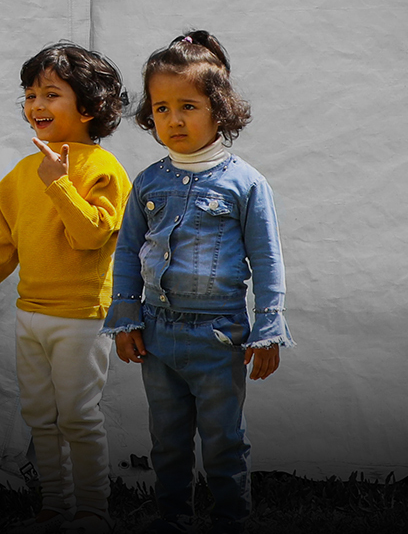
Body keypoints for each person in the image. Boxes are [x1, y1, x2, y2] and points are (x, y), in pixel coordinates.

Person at [103, 31, 291, 534]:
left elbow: (267, 260)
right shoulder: (147, 182)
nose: (174, 119)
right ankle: (173, 519)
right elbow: (126, 253)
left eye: (188, 105)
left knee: (224, 437)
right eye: (161, 108)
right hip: (157, 333)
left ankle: (231, 518)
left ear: (220, 110)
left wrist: (268, 329)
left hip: (219, 335)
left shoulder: (245, 183)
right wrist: (125, 318)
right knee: (166, 438)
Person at [0, 43, 131, 533]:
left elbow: (90, 237)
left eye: (50, 94)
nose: (36, 105)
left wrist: (59, 185)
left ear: (88, 106)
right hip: (31, 315)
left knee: (79, 418)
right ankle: (54, 507)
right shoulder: (22, 173)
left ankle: (92, 512)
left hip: (82, 316)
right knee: (40, 417)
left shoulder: (103, 170)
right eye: (29, 94)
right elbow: (4, 247)